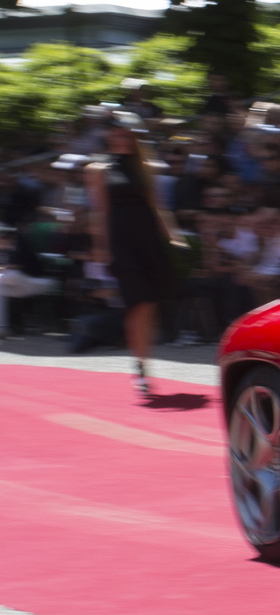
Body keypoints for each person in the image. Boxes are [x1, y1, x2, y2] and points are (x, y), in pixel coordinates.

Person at [86, 113, 186, 403]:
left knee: (150, 304)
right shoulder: (98, 168)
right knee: (136, 304)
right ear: (108, 136)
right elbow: (99, 212)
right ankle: (139, 366)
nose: (120, 138)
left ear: (134, 136)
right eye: (116, 134)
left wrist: (174, 236)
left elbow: (158, 207)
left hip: (148, 241)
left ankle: (145, 363)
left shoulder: (147, 166)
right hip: (122, 243)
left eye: (126, 134)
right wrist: (101, 248)